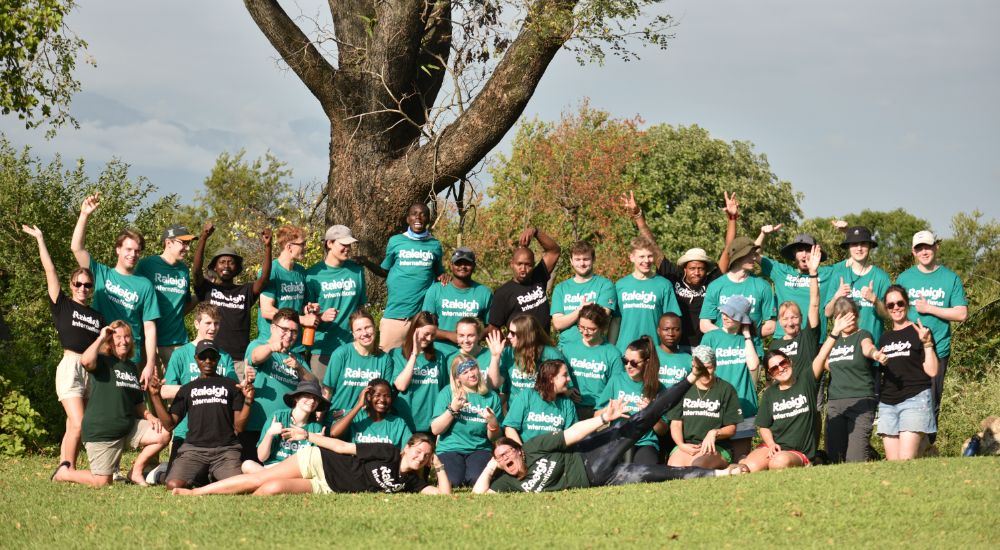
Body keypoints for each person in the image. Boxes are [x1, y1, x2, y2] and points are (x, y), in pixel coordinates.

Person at [473, 364, 736, 493]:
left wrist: (603, 419)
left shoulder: (532, 447)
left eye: (508, 453)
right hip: (599, 479)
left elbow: (572, 434)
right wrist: (492, 465)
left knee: (642, 418)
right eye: (501, 459)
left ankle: (689, 377)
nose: (506, 458)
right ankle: (720, 476)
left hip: (591, 454)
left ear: (519, 451)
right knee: (657, 474)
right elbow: (479, 494)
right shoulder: (507, 483)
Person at [24, 224, 106, 469]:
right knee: (81, 423)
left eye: (87, 285)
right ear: (71, 285)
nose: (83, 288)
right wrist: (40, 238)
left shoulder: (98, 317)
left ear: (92, 290)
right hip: (70, 365)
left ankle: (66, 466)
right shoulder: (63, 306)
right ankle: (78, 468)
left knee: (73, 425)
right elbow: (49, 269)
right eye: (78, 284)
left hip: (91, 369)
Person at [51, 322, 170, 486]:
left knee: (162, 434)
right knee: (102, 482)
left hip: (127, 429)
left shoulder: (130, 367)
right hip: (102, 433)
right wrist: (101, 337)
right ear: (110, 341)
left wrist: (150, 416)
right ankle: (64, 473)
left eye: (127, 336)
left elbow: (137, 401)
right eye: (118, 337)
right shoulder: (102, 361)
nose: (124, 341)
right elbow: (85, 361)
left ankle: (136, 472)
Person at [622, 190, 737, 348]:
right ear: (684, 268)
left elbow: (729, 250)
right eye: (692, 268)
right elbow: (652, 246)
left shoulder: (712, 281)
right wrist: (637, 215)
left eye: (701, 269)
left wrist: (732, 218)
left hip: (706, 346)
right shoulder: (672, 276)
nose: (696, 272)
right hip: (676, 347)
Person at [172, 433, 451, 496]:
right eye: (418, 450)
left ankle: (250, 473)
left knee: (271, 488)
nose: (420, 456)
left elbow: (443, 497)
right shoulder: (388, 451)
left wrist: (438, 466)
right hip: (321, 461)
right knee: (260, 481)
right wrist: (309, 437)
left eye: (426, 455)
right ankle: (195, 493)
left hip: (326, 487)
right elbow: (343, 447)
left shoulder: (413, 482)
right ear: (407, 448)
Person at [71, 193, 160, 386]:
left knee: (129, 406)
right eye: (128, 249)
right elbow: (76, 248)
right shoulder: (101, 273)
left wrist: (150, 362)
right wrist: (84, 214)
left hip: (130, 355)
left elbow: (150, 327)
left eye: (137, 251)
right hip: (101, 349)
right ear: (118, 250)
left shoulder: (145, 285)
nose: (133, 254)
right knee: (97, 402)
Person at [147, 339, 254, 489]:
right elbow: (169, 425)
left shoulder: (231, 385)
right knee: (173, 485)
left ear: (218, 359)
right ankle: (201, 475)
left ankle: (207, 476)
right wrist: (155, 396)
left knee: (238, 486)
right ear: (196, 359)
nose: (208, 361)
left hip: (225, 450)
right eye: (203, 357)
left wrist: (248, 401)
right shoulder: (187, 388)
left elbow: (239, 427)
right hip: (194, 450)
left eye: (212, 357)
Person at [895, 230, 967, 433]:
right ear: (913, 252)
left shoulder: (950, 278)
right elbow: (895, 311)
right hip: (909, 350)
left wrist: (930, 309)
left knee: (932, 400)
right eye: (919, 248)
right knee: (906, 398)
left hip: (938, 350)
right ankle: (908, 444)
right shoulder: (905, 278)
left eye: (928, 246)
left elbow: (961, 313)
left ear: (936, 247)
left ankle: (928, 446)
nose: (924, 251)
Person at [161, 303, 241, 469]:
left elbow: (233, 390)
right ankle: (159, 471)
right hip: (186, 431)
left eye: (216, 323)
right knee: (174, 477)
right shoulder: (181, 354)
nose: (213, 328)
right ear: (196, 324)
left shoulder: (224, 356)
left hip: (219, 433)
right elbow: (165, 391)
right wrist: (200, 388)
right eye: (208, 323)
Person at [355, 203, 444, 352]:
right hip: (394, 317)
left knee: (418, 367)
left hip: (420, 321)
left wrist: (445, 276)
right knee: (386, 363)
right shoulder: (396, 241)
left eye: (423, 214)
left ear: (428, 219)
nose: (418, 217)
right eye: (414, 213)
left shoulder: (434, 245)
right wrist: (367, 263)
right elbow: (384, 271)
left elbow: (438, 274)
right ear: (408, 218)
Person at [192, 223, 272, 379]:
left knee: (237, 401)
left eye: (231, 262)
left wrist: (268, 247)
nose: (226, 266)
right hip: (212, 356)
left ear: (236, 268)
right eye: (222, 262)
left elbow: (264, 279)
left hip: (239, 359)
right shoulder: (208, 289)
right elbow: (195, 271)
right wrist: (203, 237)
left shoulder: (246, 291)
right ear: (214, 267)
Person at [813, 298, 887, 463]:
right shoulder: (833, 340)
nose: (848, 321)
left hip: (861, 401)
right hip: (835, 403)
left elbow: (868, 348)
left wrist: (876, 355)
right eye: (843, 317)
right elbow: (822, 361)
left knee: (855, 459)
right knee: (835, 458)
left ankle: (870, 456)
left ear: (857, 316)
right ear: (836, 319)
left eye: (851, 316)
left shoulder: (862, 335)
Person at [243, 308, 316, 463]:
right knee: (251, 467)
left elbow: (313, 382)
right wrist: (270, 347)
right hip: (257, 424)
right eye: (284, 329)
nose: (289, 335)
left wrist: (300, 368)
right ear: (272, 328)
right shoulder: (258, 345)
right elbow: (255, 357)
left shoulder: (297, 358)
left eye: (294, 332)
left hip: (283, 427)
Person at [877, 285, 939, 460]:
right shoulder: (884, 338)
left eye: (899, 303)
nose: (896, 307)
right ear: (887, 309)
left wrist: (927, 344)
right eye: (890, 305)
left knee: (905, 460)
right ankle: (924, 447)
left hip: (915, 398)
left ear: (907, 304)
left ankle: (923, 443)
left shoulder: (920, 331)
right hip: (888, 403)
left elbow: (932, 371)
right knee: (894, 463)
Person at [738, 348, 825, 472]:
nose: (780, 369)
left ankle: (810, 461)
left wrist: (835, 333)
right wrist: (771, 444)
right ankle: (745, 461)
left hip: (797, 451)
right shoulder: (770, 393)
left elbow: (821, 357)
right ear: (770, 374)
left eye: (783, 363)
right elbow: (764, 426)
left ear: (789, 361)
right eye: (774, 368)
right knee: (749, 468)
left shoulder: (806, 381)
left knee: (778, 463)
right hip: (773, 447)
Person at [698, 295, 761, 460]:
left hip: (744, 402)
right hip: (717, 404)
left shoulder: (748, 340)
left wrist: (747, 335)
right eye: (724, 313)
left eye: (731, 314)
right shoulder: (711, 337)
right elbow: (701, 369)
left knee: (742, 457)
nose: (725, 317)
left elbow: (753, 365)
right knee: (715, 456)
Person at [304, 224, 368, 382]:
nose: (348, 248)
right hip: (322, 348)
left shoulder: (357, 271)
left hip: (353, 346)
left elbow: (360, 309)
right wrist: (321, 316)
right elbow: (305, 316)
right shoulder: (312, 275)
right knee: (320, 396)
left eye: (349, 245)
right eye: (343, 244)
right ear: (329, 243)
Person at [432, 354, 503, 487]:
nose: (471, 374)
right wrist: (453, 409)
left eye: (473, 368)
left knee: (476, 479)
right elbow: (435, 429)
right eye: (465, 372)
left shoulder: (491, 397)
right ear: (457, 378)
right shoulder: (447, 393)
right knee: (452, 481)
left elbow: (495, 438)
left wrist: (493, 422)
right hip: (451, 448)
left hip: (479, 448)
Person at [666, 346, 742, 469]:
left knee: (698, 466)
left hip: (716, 447)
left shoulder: (726, 389)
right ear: (693, 367)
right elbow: (676, 423)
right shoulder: (683, 388)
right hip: (687, 445)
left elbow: (731, 429)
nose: (705, 372)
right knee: (674, 468)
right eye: (700, 368)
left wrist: (715, 433)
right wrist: (681, 445)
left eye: (708, 367)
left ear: (715, 366)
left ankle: (727, 467)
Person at [595, 336, 667, 464]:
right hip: (617, 440)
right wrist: (608, 411)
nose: (628, 366)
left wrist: (651, 412)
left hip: (645, 442)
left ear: (647, 362)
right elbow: (596, 415)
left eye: (633, 363)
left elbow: (663, 430)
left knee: (644, 473)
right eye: (625, 361)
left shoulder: (658, 387)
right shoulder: (616, 380)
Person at [699, 236, 777, 351]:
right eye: (749, 254)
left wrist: (748, 337)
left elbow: (771, 325)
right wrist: (727, 338)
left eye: (754, 254)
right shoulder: (716, 286)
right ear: (738, 257)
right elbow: (704, 324)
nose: (754, 258)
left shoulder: (763, 286)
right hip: (722, 351)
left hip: (752, 350)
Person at [135, 224, 197, 366]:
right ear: (168, 243)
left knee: (178, 387)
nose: (188, 248)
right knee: (149, 387)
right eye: (184, 243)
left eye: (189, 243)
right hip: (150, 344)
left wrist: (201, 295)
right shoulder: (146, 265)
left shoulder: (184, 270)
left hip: (178, 344)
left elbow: (183, 307)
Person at [756, 226, 834, 337]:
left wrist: (846, 231)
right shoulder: (781, 272)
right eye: (800, 250)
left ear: (816, 253)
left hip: (814, 340)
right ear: (794, 253)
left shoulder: (827, 273)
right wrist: (763, 234)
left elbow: (854, 262)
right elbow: (753, 255)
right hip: (784, 338)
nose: (804, 255)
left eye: (808, 250)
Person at [823, 223, 891, 344]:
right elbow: (827, 312)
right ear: (849, 247)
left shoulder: (882, 277)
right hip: (844, 350)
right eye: (854, 244)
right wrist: (837, 296)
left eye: (863, 244)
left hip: (872, 347)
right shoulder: (839, 275)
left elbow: (888, 315)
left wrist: (875, 300)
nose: (859, 248)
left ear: (870, 246)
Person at [244, 378, 329, 473]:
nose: (312, 400)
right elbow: (261, 457)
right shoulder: (278, 416)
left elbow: (315, 467)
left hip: (295, 473)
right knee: (247, 465)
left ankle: (268, 481)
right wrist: (270, 433)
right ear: (296, 398)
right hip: (272, 468)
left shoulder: (316, 428)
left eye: (316, 398)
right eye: (307, 395)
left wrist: (319, 447)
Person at [256, 224, 317, 355]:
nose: (305, 248)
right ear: (289, 247)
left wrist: (309, 309)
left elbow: (302, 305)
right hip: (273, 345)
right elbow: (266, 311)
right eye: (302, 244)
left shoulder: (301, 272)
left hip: (296, 347)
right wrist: (302, 320)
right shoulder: (271, 272)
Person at [612, 237, 681, 351]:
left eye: (650, 256)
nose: (647, 260)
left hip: (654, 351)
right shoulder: (620, 285)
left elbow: (672, 322)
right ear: (632, 258)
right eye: (642, 256)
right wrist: (612, 348)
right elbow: (615, 321)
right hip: (625, 350)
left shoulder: (664, 284)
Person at [487, 226, 561, 334]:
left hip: (544, 347)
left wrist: (535, 231)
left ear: (533, 265)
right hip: (520, 349)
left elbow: (554, 251)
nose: (523, 269)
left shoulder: (539, 276)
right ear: (511, 264)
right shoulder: (503, 293)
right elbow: (493, 328)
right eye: (519, 264)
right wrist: (506, 349)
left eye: (528, 265)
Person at [322, 309, 394, 419]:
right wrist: (319, 421)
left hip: (367, 421)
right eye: (359, 330)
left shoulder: (385, 359)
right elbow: (327, 392)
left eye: (368, 327)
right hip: (338, 417)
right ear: (354, 334)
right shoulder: (341, 354)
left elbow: (384, 397)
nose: (364, 333)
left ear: (375, 328)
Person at [422, 247, 492, 357]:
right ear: (451, 265)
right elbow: (424, 325)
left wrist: (473, 336)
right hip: (440, 354)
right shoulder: (436, 290)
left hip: (471, 355)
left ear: (474, 266)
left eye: (467, 263)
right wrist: (449, 335)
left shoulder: (484, 292)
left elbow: (491, 326)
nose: (463, 267)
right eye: (458, 263)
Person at [767, 245, 824, 377]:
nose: (790, 323)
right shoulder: (775, 345)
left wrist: (813, 273)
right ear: (779, 322)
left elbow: (814, 304)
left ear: (802, 318)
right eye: (785, 319)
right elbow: (771, 380)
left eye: (794, 317)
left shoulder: (808, 337)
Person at [559, 304, 622, 420]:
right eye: (581, 327)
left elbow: (617, 387)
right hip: (572, 409)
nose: (585, 332)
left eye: (591, 329)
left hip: (601, 411)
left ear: (602, 328)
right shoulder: (568, 349)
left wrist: (604, 410)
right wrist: (567, 390)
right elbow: (556, 378)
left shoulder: (613, 354)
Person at [550, 241, 617, 348]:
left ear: (594, 259)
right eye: (577, 259)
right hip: (566, 349)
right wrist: (580, 310)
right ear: (571, 261)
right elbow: (558, 324)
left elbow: (600, 318)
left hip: (594, 348)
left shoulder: (605, 285)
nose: (582, 263)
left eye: (586, 259)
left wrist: (571, 316)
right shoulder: (561, 288)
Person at [391, 312, 448, 433]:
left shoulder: (439, 357)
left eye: (433, 335)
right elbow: (400, 386)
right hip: (404, 424)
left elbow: (444, 390)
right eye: (426, 334)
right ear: (414, 330)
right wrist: (414, 355)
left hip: (430, 425)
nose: (429, 339)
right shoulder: (396, 354)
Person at [488, 314, 566, 403]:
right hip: (517, 409)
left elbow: (564, 387)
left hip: (542, 409)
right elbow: (494, 384)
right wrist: (495, 357)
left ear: (526, 335)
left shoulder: (551, 354)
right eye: (508, 332)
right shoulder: (508, 352)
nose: (508, 336)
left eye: (513, 333)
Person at [503, 360, 578, 444]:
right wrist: (521, 452)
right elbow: (510, 428)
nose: (568, 379)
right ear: (551, 378)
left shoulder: (567, 404)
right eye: (565, 375)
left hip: (555, 454)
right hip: (528, 453)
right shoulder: (527, 396)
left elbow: (572, 435)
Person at [329, 378, 412, 448]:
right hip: (356, 465)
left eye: (387, 396)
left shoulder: (398, 423)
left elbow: (410, 449)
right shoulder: (355, 416)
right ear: (369, 397)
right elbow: (334, 433)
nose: (382, 400)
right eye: (377, 395)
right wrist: (359, 405)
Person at [655, 313, 692, 389]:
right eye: (666, 329)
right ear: (658, 331)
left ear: (681, 331)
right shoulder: (650, 354)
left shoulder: (689, 360)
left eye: (676, 329)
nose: (671, 334)